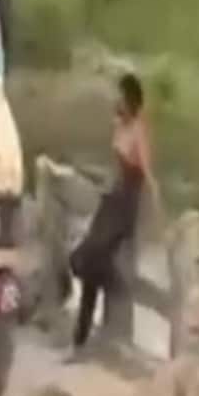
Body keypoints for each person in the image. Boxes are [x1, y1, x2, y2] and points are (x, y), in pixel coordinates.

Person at [68, 73, 150, 352]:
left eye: (120, 97)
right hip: (111, 200)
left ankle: (113, 285)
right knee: (83, 260)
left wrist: (154, 212)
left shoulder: (139, 130)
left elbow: (146, 174)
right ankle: (80, 337)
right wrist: (98, 178)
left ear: (130, 101)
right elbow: (114, 166)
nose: (116, 101)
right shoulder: (120, 127)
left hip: (125, 204)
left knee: (90, 256)